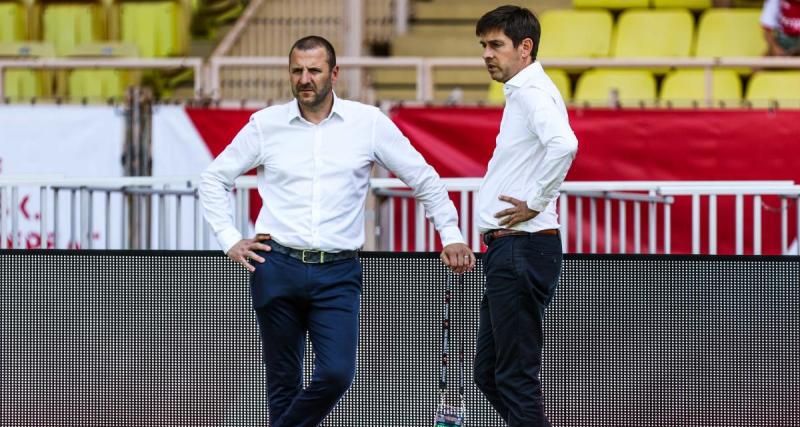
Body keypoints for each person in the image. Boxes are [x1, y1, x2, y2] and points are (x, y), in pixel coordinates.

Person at [198, 36, 476, 427]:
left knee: (336, 373)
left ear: (334, 73)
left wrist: (450, 233)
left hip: (338, 272)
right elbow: (212, 180)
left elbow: (423, 178)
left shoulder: (368, 123)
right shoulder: (265, 125)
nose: (304, 78)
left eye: (313, 70)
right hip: (276, 264)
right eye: (297, 70)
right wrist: (229, 239)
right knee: (283, 382)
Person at [472, 6, 578, 427]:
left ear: (525, 47)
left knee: (513, 377)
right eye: (484, 45)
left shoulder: (532, 92)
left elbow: (564, 145)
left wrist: (535, 201)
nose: (487, 54)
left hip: (521, 247)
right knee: (490, 373)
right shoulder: (525, 90)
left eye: (496, 44)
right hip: (513, 249)